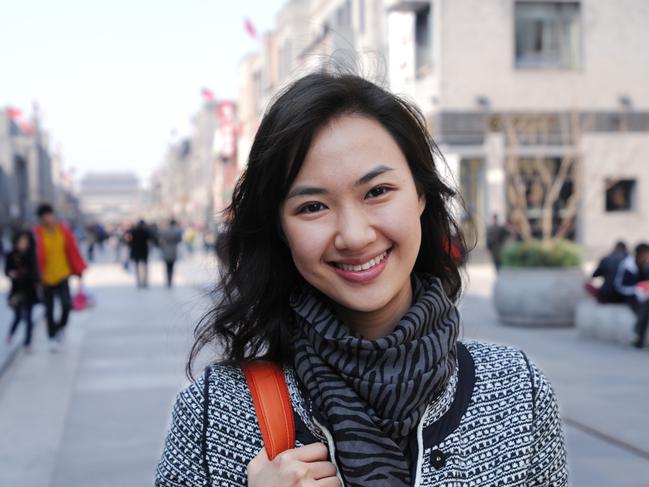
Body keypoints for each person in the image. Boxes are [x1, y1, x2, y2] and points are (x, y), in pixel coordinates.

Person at [156, 73, 567, 487]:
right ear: (280, 227)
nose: (354, 235)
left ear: (421, 195)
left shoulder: (515, 393)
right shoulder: (216, 413)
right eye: (313, 206)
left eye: (377, 191)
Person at [33, 203, 86, 352]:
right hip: (45, 278)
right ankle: (51, 337)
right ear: (40, 219)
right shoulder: (37, 234)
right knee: (49, 310)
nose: (47, 218)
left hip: (62, 274)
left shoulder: (63, 231)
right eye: (44, 216)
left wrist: (78, 270)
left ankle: (60, 327)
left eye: (49, 215)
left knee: (66, 305)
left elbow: (72, 251)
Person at [4, 231, 40, 351]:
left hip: (29, 290)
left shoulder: (31, 255)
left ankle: (28, 342)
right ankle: (11, 334)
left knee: (29, 317)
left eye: (26, 242)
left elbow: (36, 273)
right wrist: (11, 273)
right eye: (22, 241)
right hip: (16, 290)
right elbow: (6, 270)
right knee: (18, 316)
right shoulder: (11, 255)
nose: (24, 244)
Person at [614, 243, 649, 348]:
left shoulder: (646, 265)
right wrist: (635, 289)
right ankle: (637, 336)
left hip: (644, 295)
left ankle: (637, 335)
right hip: (628, 295)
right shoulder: (628, 265)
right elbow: (620, 286)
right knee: (644, 310)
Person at [128, 220, 154, 288]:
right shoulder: (145, 231)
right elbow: (150, 239)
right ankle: (144, 281)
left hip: (136, 251)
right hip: (144, 251)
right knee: (145, 267)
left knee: (137, 267)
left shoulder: (134, 231)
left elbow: (130, 241)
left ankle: (139, 281)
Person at [158, 219, 183, 288]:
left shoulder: (165, 231)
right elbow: (180, 240)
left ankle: (168, 280)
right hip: (173, 250)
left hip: (166, 249)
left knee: (167, 266)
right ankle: (170, 280)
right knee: (172, 266)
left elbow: (161, 239)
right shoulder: (177, 231)